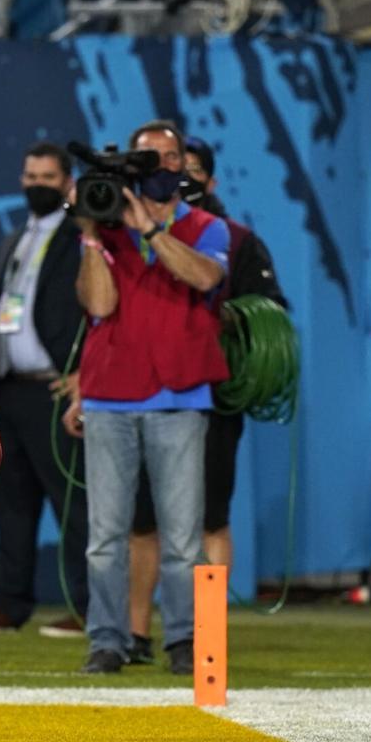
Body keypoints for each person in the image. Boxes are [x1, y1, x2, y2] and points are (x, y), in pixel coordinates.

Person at [63, 119, 230, 675]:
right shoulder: (105, 233)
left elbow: (205, 278)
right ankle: (107, 641)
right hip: (111, 396)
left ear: (182, 165)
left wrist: (152, 231)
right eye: (146, 157)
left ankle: (191, 642)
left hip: (181, 396)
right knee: (104, 537)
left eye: (167, 155)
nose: (158, 164)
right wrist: (91, 233)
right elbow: (100, 306)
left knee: (186, 537)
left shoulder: (209, 226)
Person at [126, 136, 288, 663]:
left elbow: (270, 313)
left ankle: (208, 637)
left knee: (210, 518)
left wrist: (212, 325)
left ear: (210, 182)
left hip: (213, 397)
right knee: (143, 520)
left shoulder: (236, 240)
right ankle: (135, 635)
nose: (181, 177)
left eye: (192, 170)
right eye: (170, 167)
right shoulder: (127, 234)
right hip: (144, 394)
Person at [0, 141, 89, 639]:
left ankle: (87, 607)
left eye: (47, 177)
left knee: (74, 503)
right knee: (13, 503)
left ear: (68, 183)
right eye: (30, 175)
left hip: (55, 389)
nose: (36, 184)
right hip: (6, 390)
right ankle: (9, 604)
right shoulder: (16, 237)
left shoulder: (82, 236)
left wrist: (86, 369)